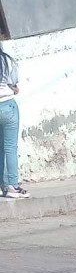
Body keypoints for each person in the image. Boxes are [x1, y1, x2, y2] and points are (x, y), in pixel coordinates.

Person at [0, 48, 26, 199]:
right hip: (8, 105)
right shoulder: (7, 60)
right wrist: (15, 89)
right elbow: (13, 84)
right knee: (10, 147)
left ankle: (2, 185)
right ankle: (12, 186)